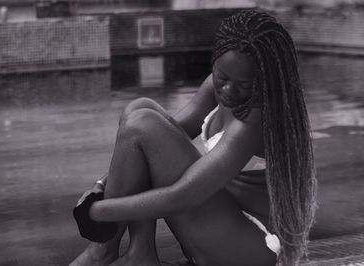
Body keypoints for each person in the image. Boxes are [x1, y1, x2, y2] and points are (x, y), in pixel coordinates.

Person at [70, 9, 317, 266]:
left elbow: (182, 197)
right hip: (221, 219)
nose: (229, 90)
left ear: (266, 80)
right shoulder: (216, 87)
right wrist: (101, 185)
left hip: (254, 244)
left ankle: (107, 253)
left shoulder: (253, 122)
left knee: (142, 123)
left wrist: (99, 211)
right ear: (215, 61)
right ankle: (135, 253)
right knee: (139, 109)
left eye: (244, 85)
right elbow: (150, 143)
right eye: (223, 77)